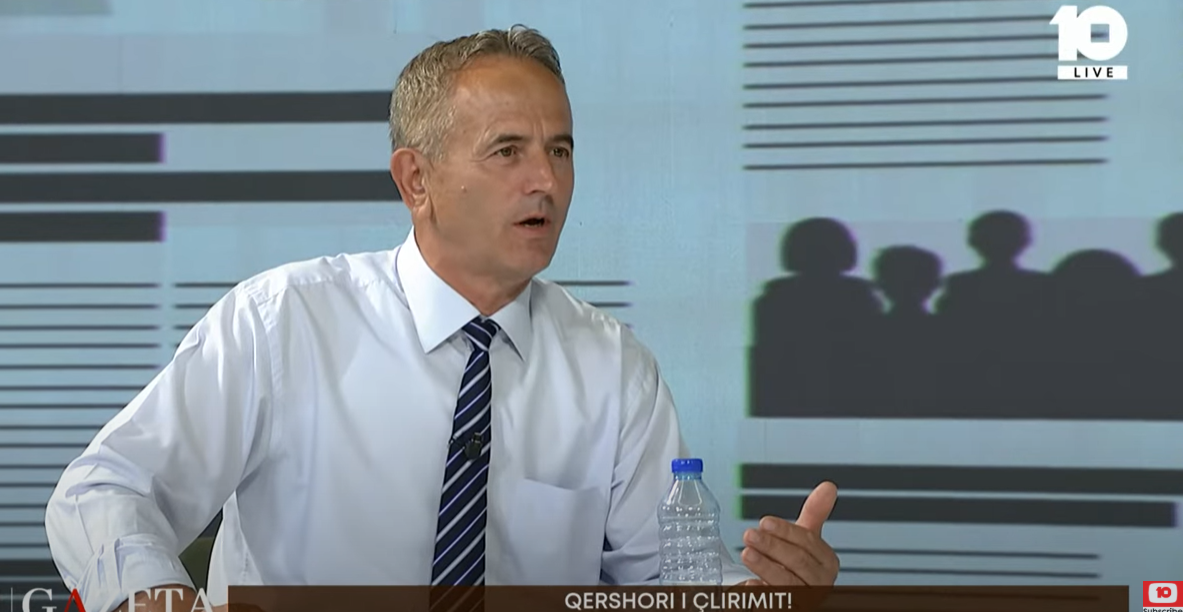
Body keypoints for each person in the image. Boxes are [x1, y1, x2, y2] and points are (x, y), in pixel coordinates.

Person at [43, 25, 840, 612]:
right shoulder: (283, 322)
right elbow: (105, 487)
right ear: (415, 180)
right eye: (508, 151)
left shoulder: (611, 364)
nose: (545, 181)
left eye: (560, 151)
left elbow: (663, 586)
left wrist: (762, 597)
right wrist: (152, 597)